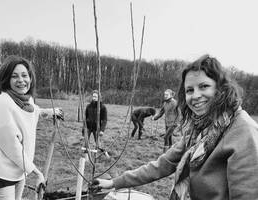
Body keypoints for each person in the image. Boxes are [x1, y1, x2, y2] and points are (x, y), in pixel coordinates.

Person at [92, 54, 258, 200]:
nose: (195, 96)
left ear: (220, 88)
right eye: (189, 90)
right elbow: (162, 164)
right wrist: (114, 182)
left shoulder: (243, 130)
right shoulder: (198, 129)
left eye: (204, 86)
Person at [0, 55, 64, 200]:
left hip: (18, 168)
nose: (21, 80)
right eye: (14, 76)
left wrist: (50, 112)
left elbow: (33, 110)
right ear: (7, 79)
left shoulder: (25, 99)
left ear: (30, 78)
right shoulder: (3, 104)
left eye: (25, 75)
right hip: (0, 170)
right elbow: (12, 147)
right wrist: (37, 172)